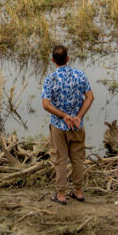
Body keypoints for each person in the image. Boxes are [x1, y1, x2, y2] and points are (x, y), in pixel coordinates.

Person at [41, 45, 94, 205]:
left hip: (59, 126)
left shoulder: (51, 79)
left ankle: (61, 194)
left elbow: (45, 104)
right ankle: (78, 191)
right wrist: (78, 117)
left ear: (53, 60)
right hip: (77, 126)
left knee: (60, 159)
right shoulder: (80, 75)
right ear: (68, 59)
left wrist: (64, 116)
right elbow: (90, 97)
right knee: (78, 159)